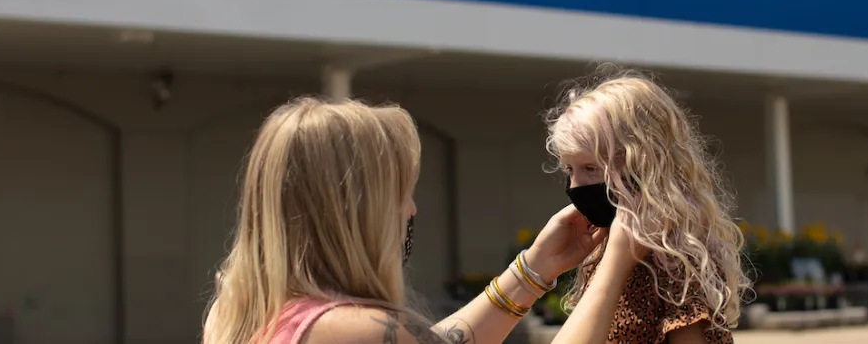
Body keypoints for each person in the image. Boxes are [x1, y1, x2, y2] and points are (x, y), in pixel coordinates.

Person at [202, 97, 645, 344]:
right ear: (359, 208)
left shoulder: (240, 313)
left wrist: (532, 272)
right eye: (401, 191)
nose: (411, 209)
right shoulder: (354, 333)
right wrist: (616, 262)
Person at [546, 68, 752, 343]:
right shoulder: (603, 251)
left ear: (643, 168)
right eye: (569, 169)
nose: (574, 185)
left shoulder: (674, 263)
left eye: (591, 168)